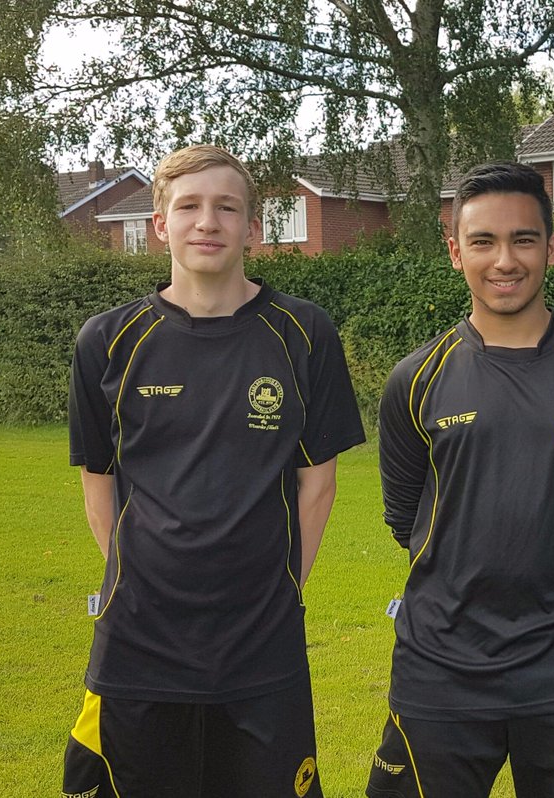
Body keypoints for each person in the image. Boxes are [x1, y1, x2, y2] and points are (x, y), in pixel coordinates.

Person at [62, 144, 365, 798]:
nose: (208, 222)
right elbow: (98, 486)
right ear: (160, 223)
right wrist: (148, 582)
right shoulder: (107, 341)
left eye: (227, 208)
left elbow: (318, 485)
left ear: (252, 227)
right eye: (189, 207)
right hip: (137, 642)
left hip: (262, 643)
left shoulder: (304, 332)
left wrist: (280, 587)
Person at [365, 161, 554, 798]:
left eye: (523, 239)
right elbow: (404, 515)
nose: (505, 260)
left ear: (551, 247)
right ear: (455, 252)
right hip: (441, 662)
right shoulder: (415, 379)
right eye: (483, 242)